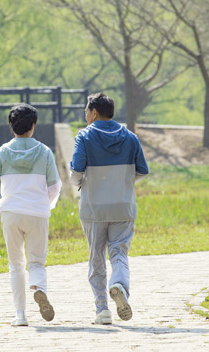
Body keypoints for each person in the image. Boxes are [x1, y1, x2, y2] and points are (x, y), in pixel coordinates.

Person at [70, 93, 148, 325]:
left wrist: (80, 184)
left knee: (96, 258)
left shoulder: (84, 136)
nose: (85, 115)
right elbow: (142, 171)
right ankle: (119, 286)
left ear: (94, 113)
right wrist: (122, 183)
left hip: (94, 209)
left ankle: (102, 310)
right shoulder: (131, 137)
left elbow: (76, 172)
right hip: (123, 207)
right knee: (119, 254)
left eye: (86, 111)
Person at [0, 103, 62, 327]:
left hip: (11, 212)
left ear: (11, 126)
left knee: (16, 265)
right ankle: (39, 288)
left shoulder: (1, 153)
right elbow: (55, 186)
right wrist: (45, 205)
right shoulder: (44, 152)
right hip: (37, 213)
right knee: (37, 262)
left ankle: (20, 315)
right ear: (33, 126)